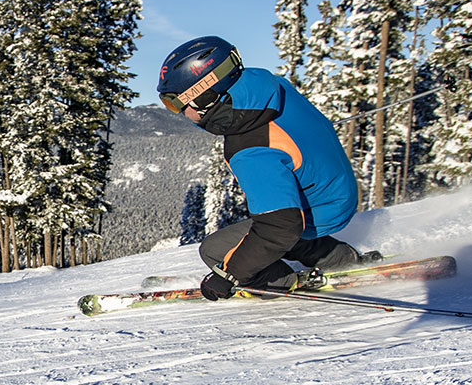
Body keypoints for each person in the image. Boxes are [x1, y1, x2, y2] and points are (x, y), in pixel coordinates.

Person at [157, 35, 379, 301]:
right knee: (272, 222)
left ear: (204, 96)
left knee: (215, 250)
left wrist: (229, 275)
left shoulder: (250, 148)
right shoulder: (267, 86)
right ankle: (339, 258)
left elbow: (280, 227)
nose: (179, 113)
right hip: (336, 187)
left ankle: (286, 281)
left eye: (175, 103)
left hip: (318, 209)